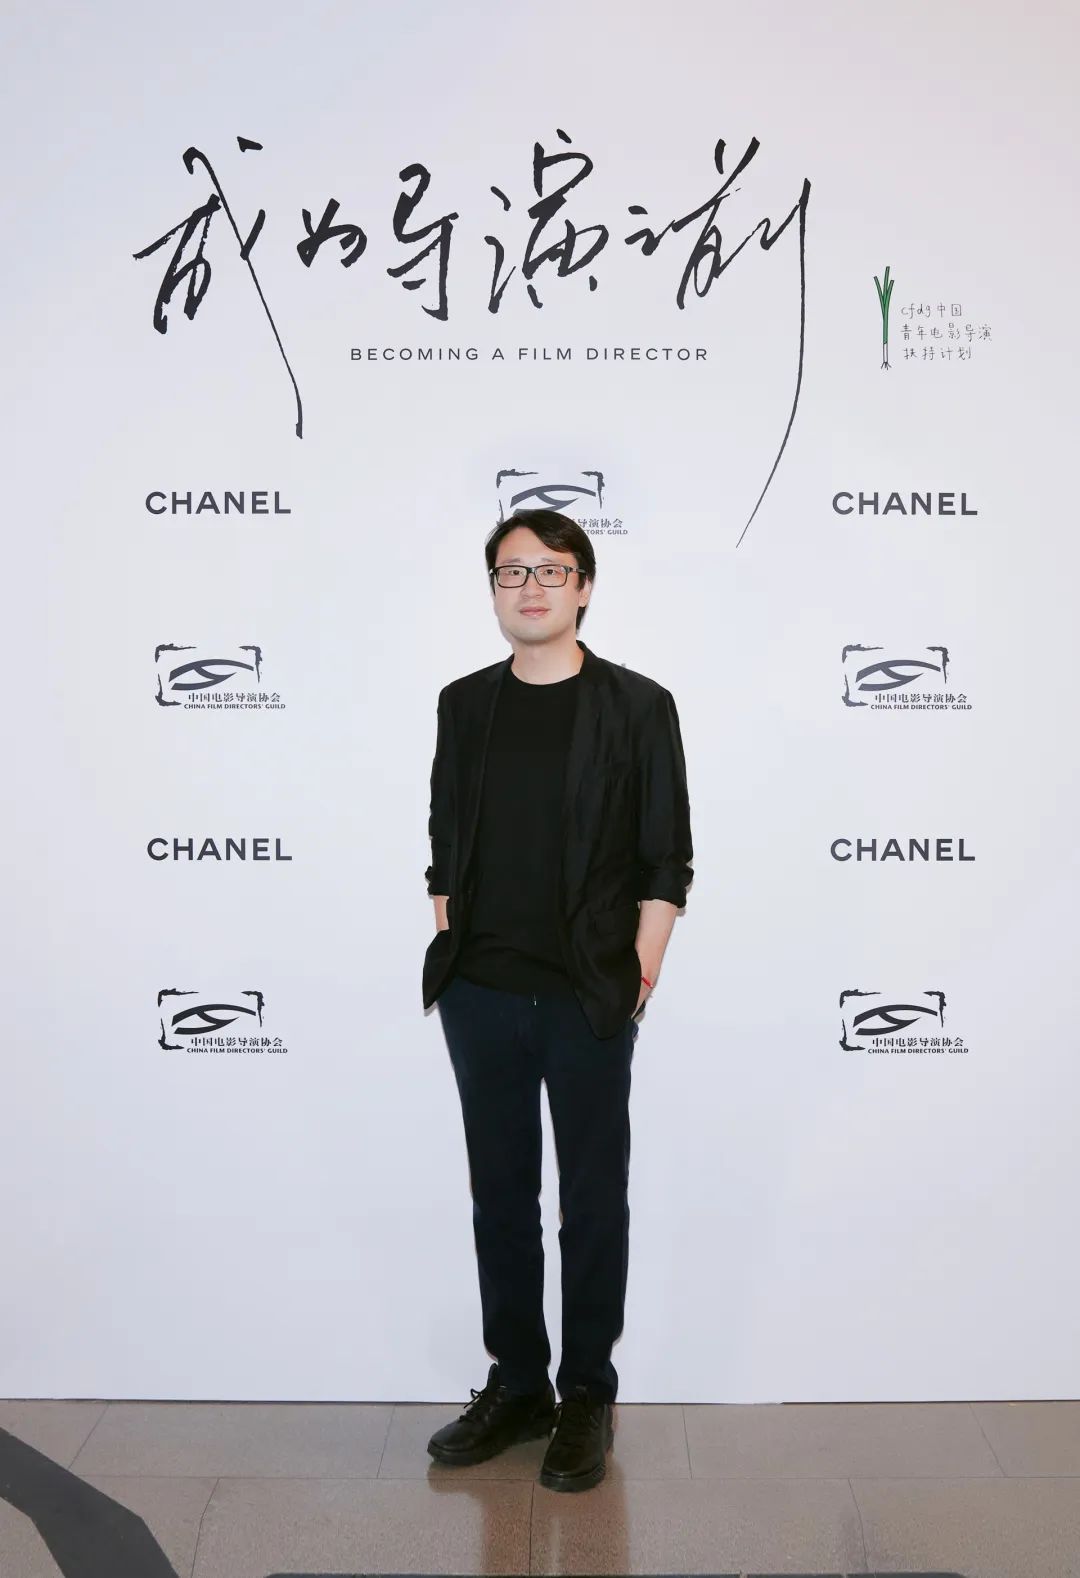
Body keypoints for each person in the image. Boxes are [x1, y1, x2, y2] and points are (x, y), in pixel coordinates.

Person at [421, 507, 693, 1492]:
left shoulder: (637, 706)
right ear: (493, 589)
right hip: (480, 994)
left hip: (588, 998)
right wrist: (453, 935)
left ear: (583, 586)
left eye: (551, 570)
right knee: (499, 1200)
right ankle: (518, 1384)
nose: (530, 587)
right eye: (512, 572)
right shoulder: (464, 704)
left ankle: (586, 1395)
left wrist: (637, 981)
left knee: (591, 1203)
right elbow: (445, 838)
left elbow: (666, 859)